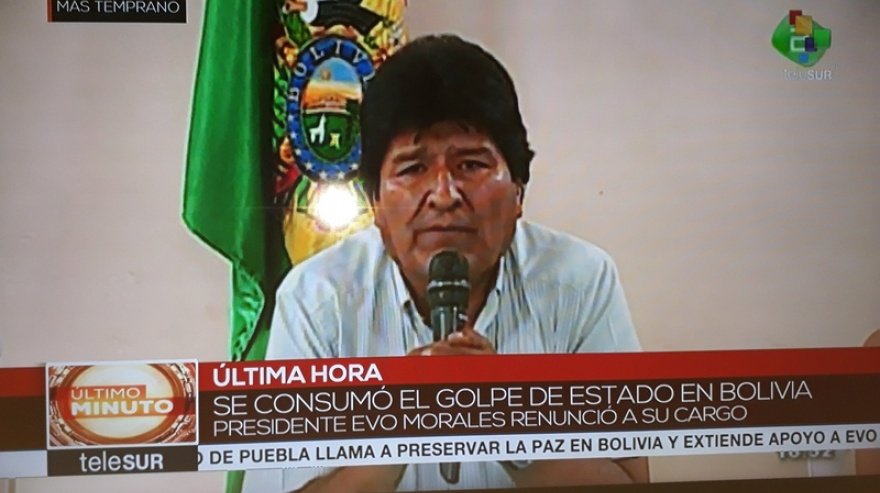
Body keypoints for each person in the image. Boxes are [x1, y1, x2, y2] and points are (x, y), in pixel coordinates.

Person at [243, 34, 648, 492]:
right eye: (413, 168)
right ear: (375, 203)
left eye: (471, 165)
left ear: (518, 190)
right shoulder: (316, 299)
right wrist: (401, 426)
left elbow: (630, 481)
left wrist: (508, 417)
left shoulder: (581, 281)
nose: (444, 195)